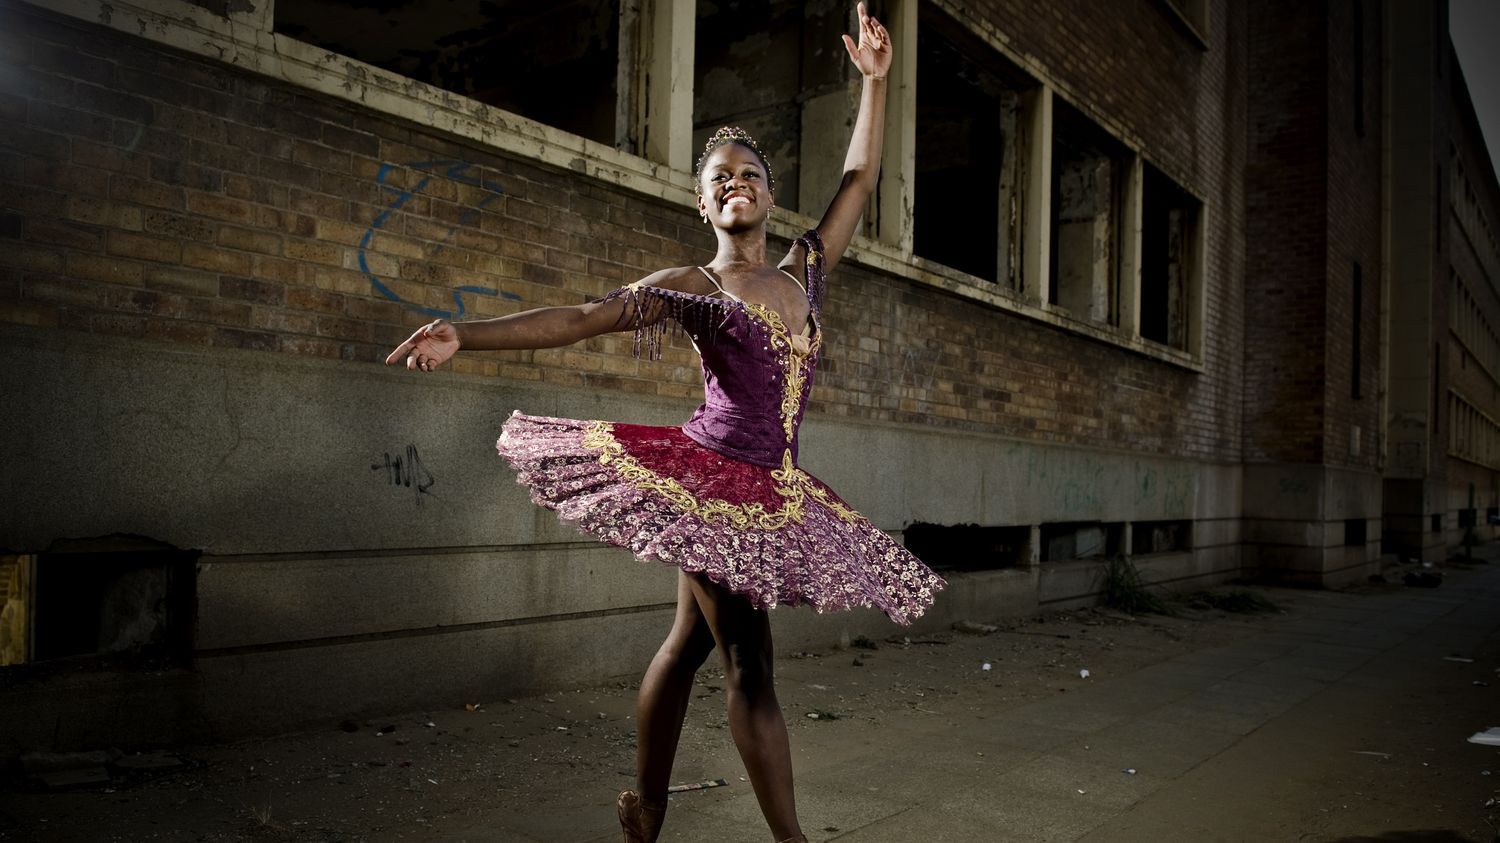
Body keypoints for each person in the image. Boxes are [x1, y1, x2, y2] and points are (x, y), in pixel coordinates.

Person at [386, 5, 942, 840]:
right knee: (749, 663)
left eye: (747, 171)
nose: (734, 182)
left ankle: (645, 806)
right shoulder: (694, 284)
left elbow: (859, 179)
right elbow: (582, 316)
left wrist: (874, 82)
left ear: (768, 191)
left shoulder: (805, 272)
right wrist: (468, 331)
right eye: (717, 175)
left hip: (775, 485)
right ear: (702, 200)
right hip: (712, 483)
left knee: (687, 642)